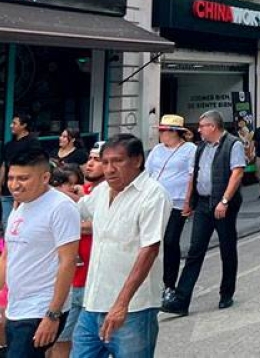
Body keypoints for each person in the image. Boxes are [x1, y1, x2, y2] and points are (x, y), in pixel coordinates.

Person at [74, 134, 171, 358]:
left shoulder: (152, 195)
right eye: (105, 162)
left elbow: (150, 249)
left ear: (137, 160)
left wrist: (121, 304)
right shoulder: (101, 191)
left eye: (117, 161)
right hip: (93, 303)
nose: (109, 169)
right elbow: (76, 209)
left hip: (132, 310)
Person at [161, 111, 246, 316]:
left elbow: (237, 173)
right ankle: (181, 301)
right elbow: (194, 175)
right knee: (195, 250)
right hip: (203, 204)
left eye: (202, 126)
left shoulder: (233, 144)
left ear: (213, 127)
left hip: (223, 205)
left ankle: (226, 293)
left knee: (227, 249)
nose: (198, 130)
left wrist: (224, 201)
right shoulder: (200, 149)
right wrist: (189, 201)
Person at [0, 148, 79, 358]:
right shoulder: (20, 206)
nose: (15, 185)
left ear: (45, 177)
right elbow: (8, 256)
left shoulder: (61, 207)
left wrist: (52, 315)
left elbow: (68, 261)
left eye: (23, 178)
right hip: (16, 307)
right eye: (11, 177)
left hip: (41, 309)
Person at [49, 142, 104, 358]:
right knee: (61, 340)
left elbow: (101, 223)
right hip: (71, 280)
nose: (90, 164)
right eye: (90, 158)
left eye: (97, 160)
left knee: (69, 341)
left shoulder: (101, 194)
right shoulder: (84, 192)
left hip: (89, 279)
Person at [144, 115, 196, 306]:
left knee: (171, 241)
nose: (160, 134)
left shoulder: (190, 150)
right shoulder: (157, 150)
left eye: (164, 131)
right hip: (155, 201)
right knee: (152, 241)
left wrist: (188, 202)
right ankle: (153, 283)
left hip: (177, 202)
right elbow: (147, 173)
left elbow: (192, 176)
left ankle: (169, 285)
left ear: (175, 132)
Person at [2, 113, 41, 228]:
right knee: (7, 222)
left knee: (23, 223)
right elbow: (4, 165)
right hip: (7, 190)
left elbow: (35, 164)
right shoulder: (9, 145)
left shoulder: (32, 143)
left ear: (24, 125)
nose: (11, 126)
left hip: (25, 189)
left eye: (14, 123)